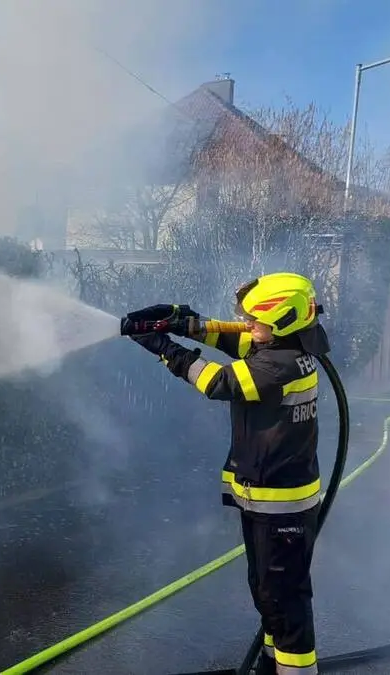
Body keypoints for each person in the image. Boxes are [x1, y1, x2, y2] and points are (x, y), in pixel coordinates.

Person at [122, 272, 330, 675]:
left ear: (283, 321)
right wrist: (189, 323)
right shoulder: (292, 344)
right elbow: (240, 340)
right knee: (269, 595)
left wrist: (167, 349)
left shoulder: (279, 365)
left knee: (284, 603)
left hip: (279, 507)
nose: (249, 324)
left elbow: (218, 382)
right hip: (270, 502)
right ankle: (273, 665)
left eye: (256, 319)